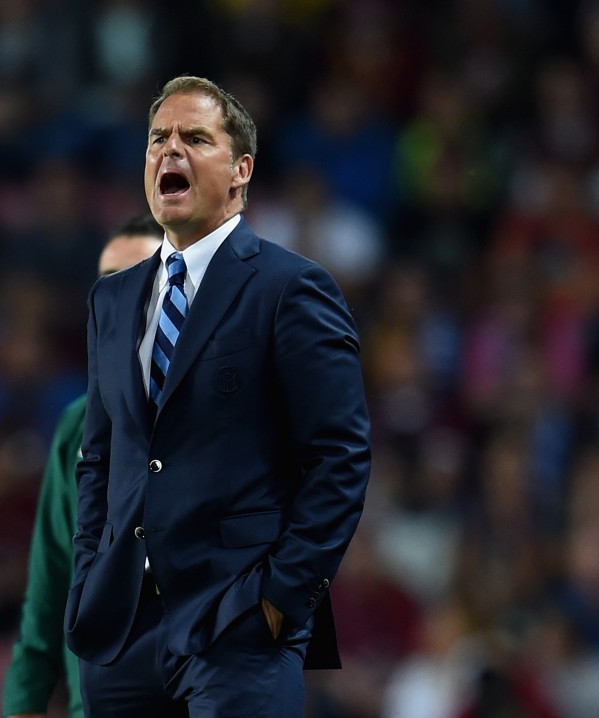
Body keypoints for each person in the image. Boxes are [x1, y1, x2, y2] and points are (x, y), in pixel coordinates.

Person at [64, 74, 372, 717]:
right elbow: (100, 458)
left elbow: (340, 456)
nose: (168, 151)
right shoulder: (112, 300)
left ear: (240, 171)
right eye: (157, 139)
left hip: (239, 626)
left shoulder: (293, 288)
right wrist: (89, 578)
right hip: (123, 635)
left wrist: (281, 599)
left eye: (194, 137)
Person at [2, 213, 164, 718]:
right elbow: (51, 581)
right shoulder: (76, 424)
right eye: (108, 283)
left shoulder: (227, 417)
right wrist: (23, 703)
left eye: (139, 278)